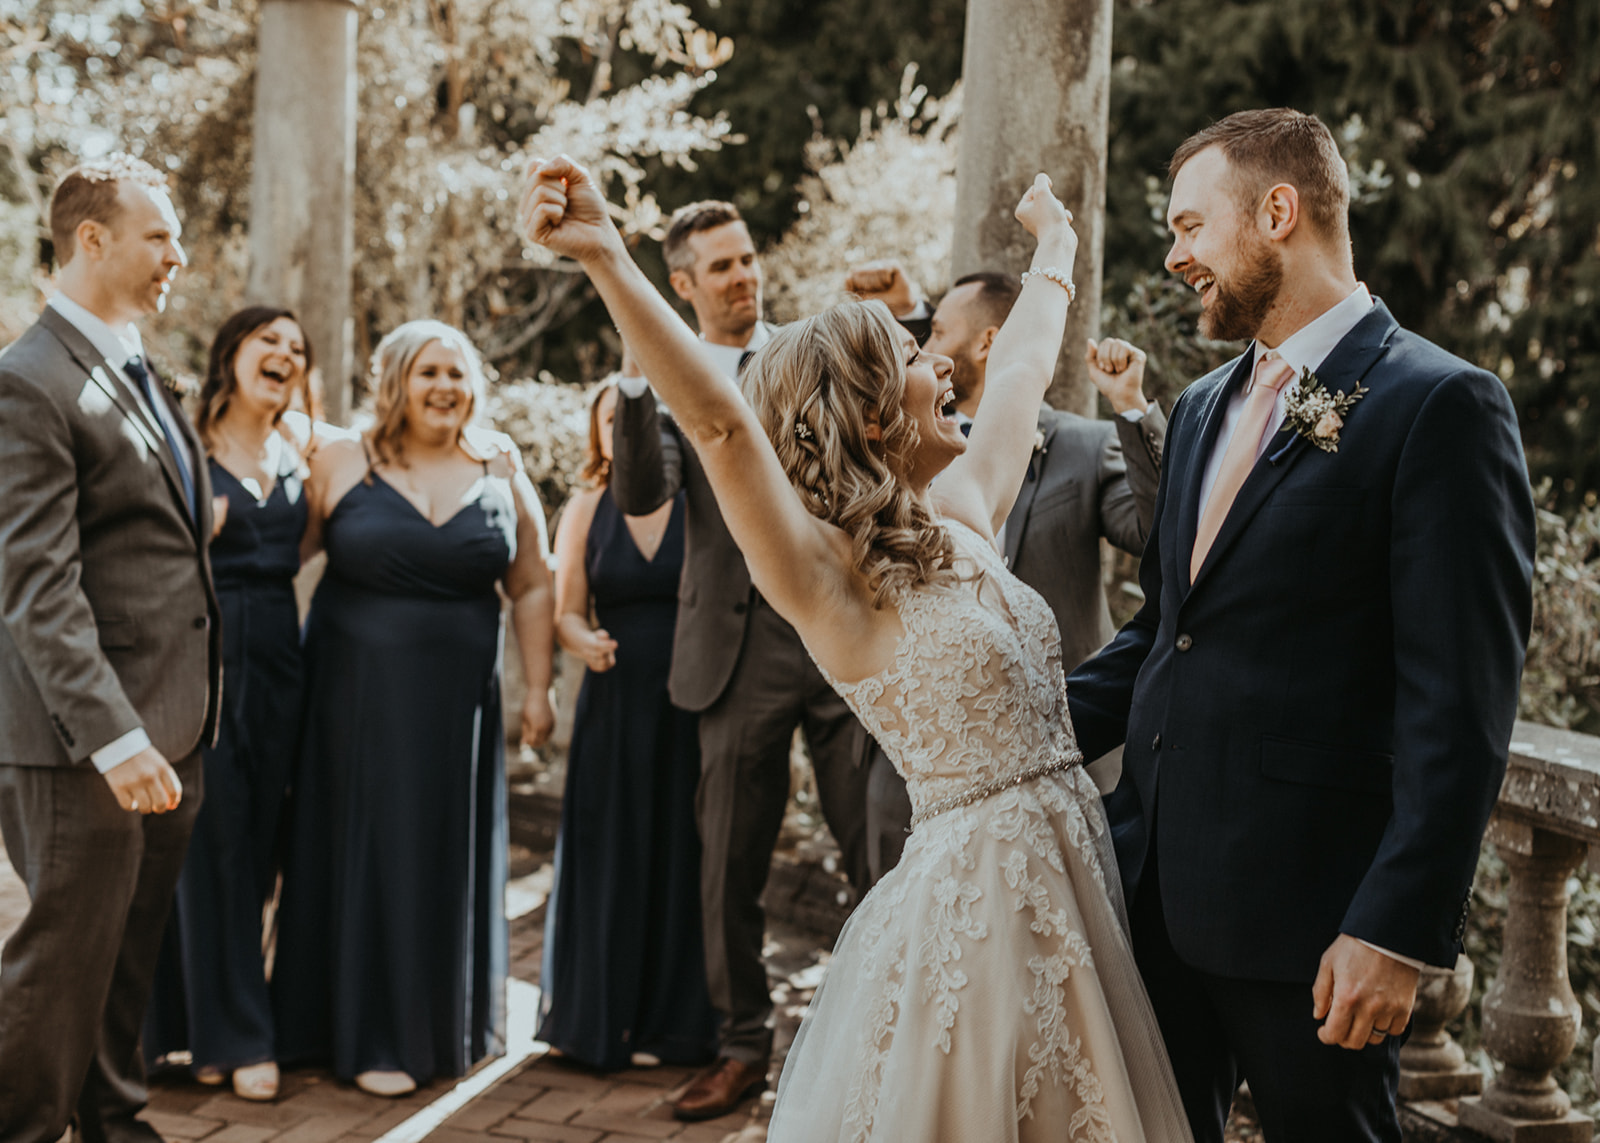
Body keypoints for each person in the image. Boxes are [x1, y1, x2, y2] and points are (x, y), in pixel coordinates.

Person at [520, 155, 1193, 1141]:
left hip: (1075, 870)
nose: (947, 365)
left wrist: (1057, 240)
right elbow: (715, 428)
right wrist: (604, 255)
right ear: (874, 411)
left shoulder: (960, 511)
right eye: (921, 359)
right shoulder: (825, 582)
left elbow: (1020, 363)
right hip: (982, 912)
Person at [1066, 109, 1535, 1143]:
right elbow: (1165, 629)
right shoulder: (1194, 409)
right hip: (1152, 897)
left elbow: (1458, 703)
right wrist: (1008, 722)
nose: (1176, 254)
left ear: (1277, 211)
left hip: (1314, 925)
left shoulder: (1440, 404)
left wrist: (1397, 930)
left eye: (1191, 226)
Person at [607, 201, 877, 1119]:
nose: (741, 276)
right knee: (729, 862)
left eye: (746, 258)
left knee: (877, 841)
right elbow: (643, 495)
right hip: (733, 646)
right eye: (718, 267)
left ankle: (899, 1027)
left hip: (839, 633)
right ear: (680, 284)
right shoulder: (672, 374)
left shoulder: (805, 350)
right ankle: (740, 1045)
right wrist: (638, 385)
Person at [272, 319, 556, 1096]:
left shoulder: (498, 462)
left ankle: (435, 1027)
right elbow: (278, 563)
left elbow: (531, 581)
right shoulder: (339, 459)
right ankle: (360, 1030)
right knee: (361, 844)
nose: (446, 388)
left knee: (438, 851)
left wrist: (538, 685)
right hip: (351, 701)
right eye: (429, 372)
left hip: (457, 708)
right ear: (395, 379)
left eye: (458, 374)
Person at [0, 155, 221, 1143]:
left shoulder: (136, 362)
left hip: (170, 722)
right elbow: (36, 585)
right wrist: (115, 738)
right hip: (86, 742)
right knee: (59, 974)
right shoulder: (27, 383)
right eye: (160, 236)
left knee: (124, 964)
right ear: (93, 240)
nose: (179, 255)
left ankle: (114, 1124)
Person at [851, 267, 1168, 877]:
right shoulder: (885, 459)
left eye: (938, 329)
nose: (929, 343)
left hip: (1064, 751)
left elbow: (1160, 536)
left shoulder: (1082, 445)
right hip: (925, 770)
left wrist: (1131, 409)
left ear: (988, 342)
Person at [142, 307, 329, 1102]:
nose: (284, 355)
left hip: (282, 666)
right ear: (232, 355)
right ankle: (238, 1034)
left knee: (257, 847)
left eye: (296, 348)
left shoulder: (302, 452)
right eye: (269, 342)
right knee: (208, 844)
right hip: (203, 664)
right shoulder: (182, 445)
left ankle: (199, 1029)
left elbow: (312, 540)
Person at [537, 379, 718, 1071]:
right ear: (598, 432)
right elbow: (566, 609)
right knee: (612, 852)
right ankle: (601, 1019)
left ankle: (674, 1025)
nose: (627, 430)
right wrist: (581, 640)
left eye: (639, 418)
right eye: (613, 418)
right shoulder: (585, 505)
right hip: (615, 705)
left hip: (690, 703)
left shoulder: (701, 501)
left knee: (683, 852)